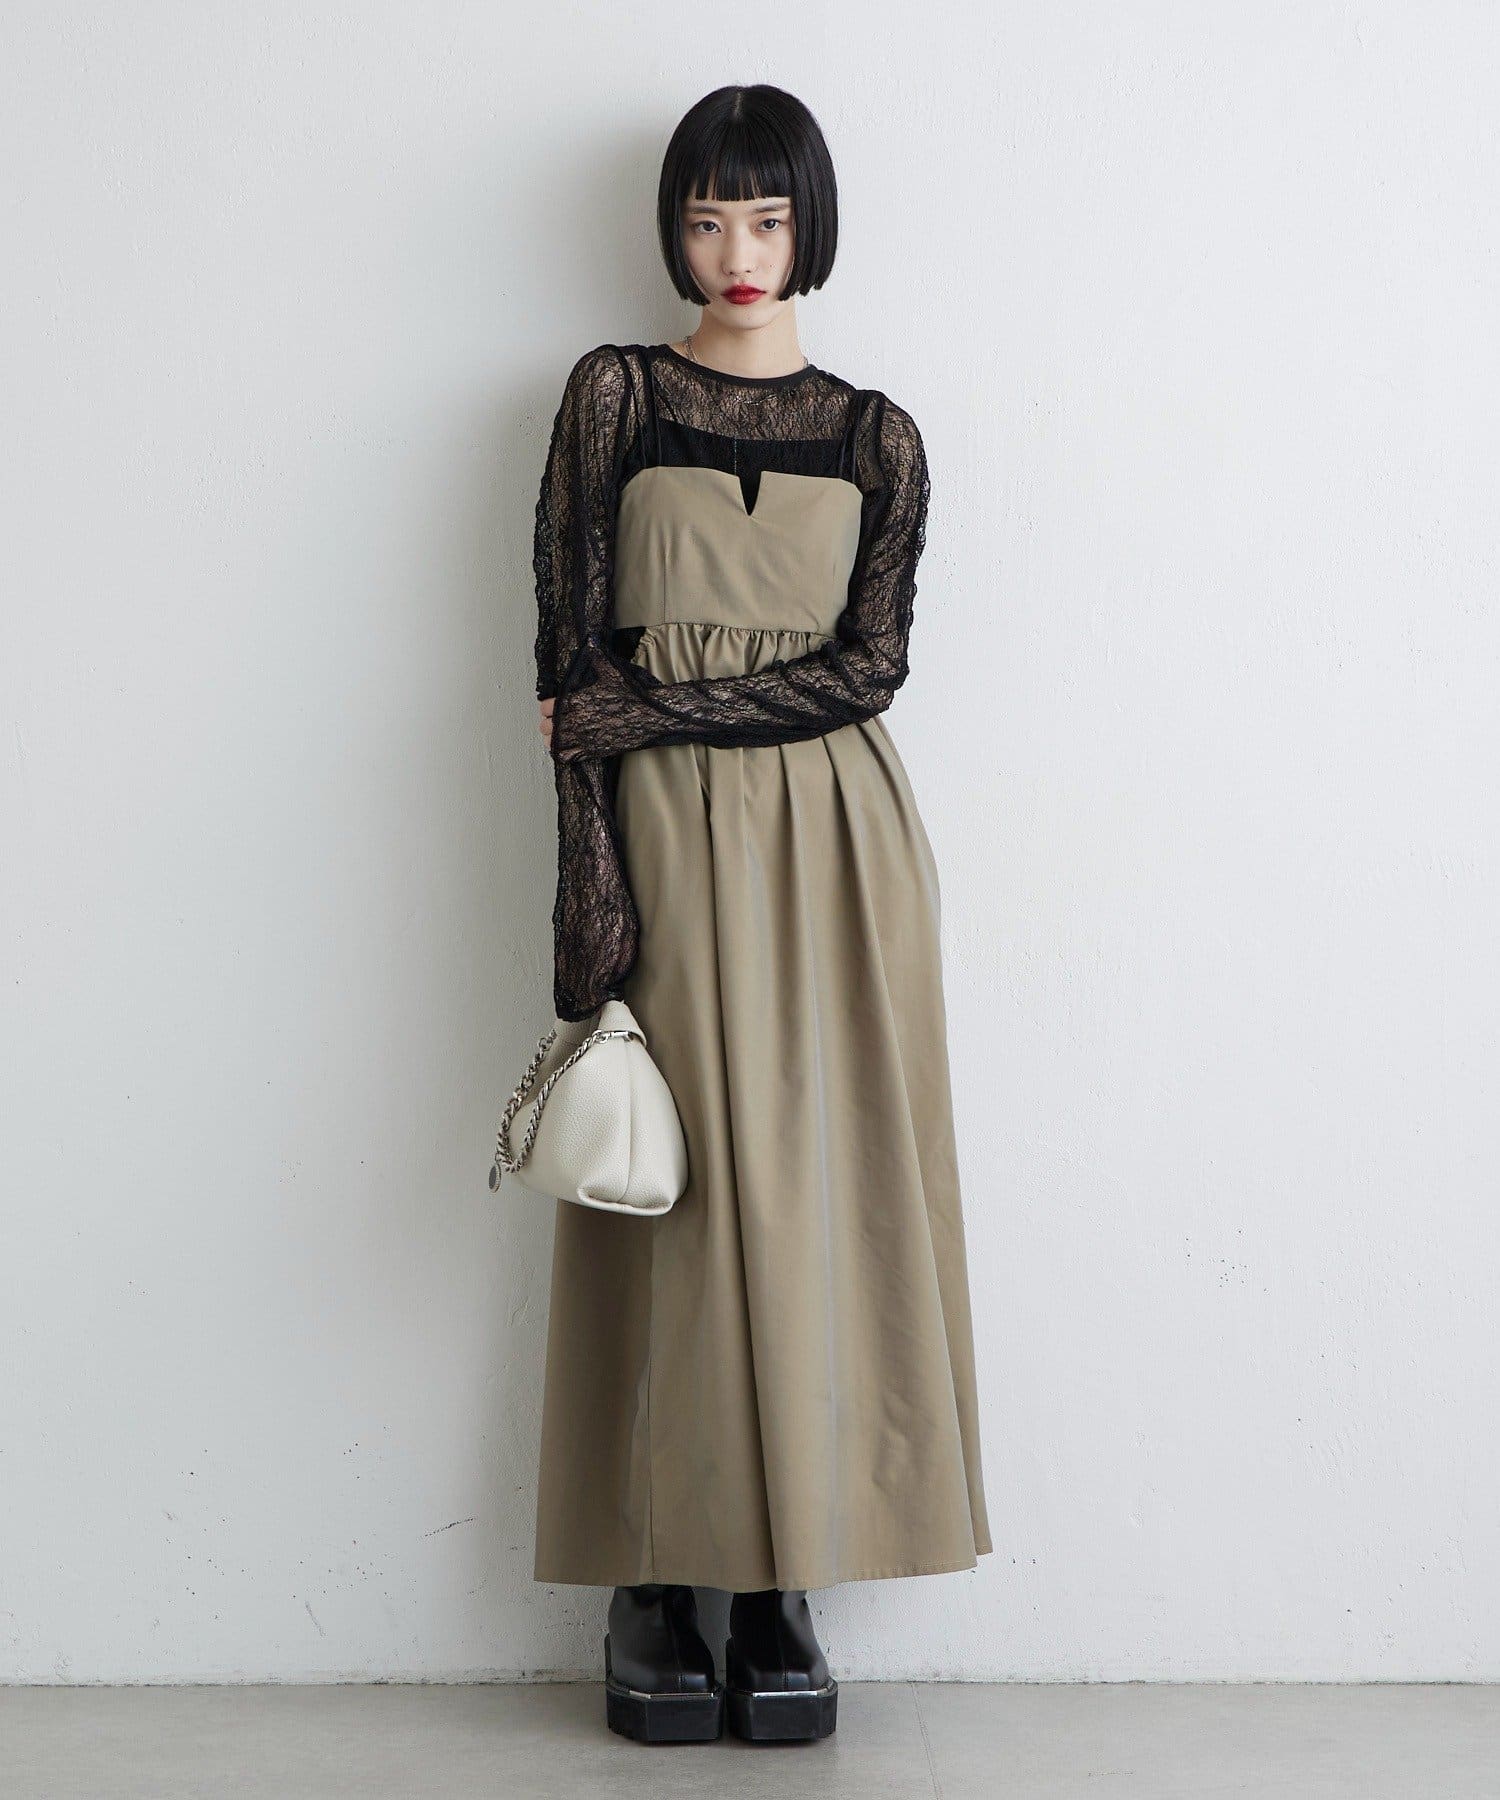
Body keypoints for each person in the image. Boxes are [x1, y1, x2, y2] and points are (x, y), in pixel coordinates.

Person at [527, 83, 992, 1746]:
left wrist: (648, 712)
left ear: (812, 228)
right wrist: (588, 876)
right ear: (674, 227)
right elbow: (566, 659)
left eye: (771, 218)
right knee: (667, 1187)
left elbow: (872, 667)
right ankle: (657, 1578)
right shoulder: (614, 394)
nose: (739, 250)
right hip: (660, 840)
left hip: (840, 847)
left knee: (820, 1196)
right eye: (710, 216)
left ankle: (788, 1574)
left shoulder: (879, 437)